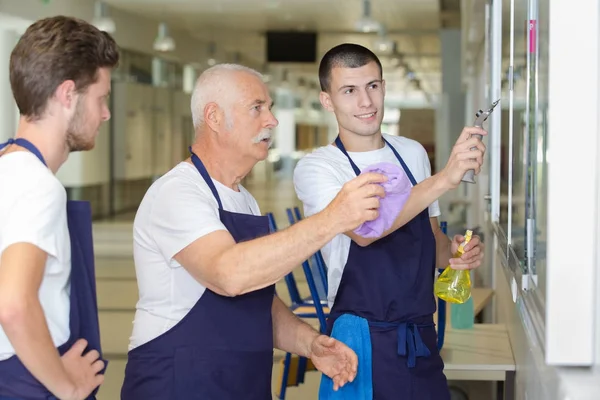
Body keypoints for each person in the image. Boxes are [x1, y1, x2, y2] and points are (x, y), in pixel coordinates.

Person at [120, 63, 390, 399]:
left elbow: (257, 303)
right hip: (180, 383)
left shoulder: (244, 200)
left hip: (241, 382)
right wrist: (334, 218)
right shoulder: (177, 192)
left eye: (270, 108)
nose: (272, 120)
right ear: (214, 118)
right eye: (256, 108)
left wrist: (310, 344)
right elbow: (228, 275)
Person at [293, 43, 487, 399]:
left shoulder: (412, 153)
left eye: (373, 86)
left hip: (420, 338)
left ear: (383, 87)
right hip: (359, 342)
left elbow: (434, 243)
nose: (365, 103)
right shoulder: (319, 168)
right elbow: (366, 233)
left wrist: (457, 252)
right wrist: (444, 178)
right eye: (349, 91)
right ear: (327, 100)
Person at [0, 16, 119, 400]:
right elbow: (13, 303)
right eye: (101, 98)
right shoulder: (36, 185)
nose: (105, 114)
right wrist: (67, 386)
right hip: (29, 384)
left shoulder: (6, 166)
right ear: (68, 95)